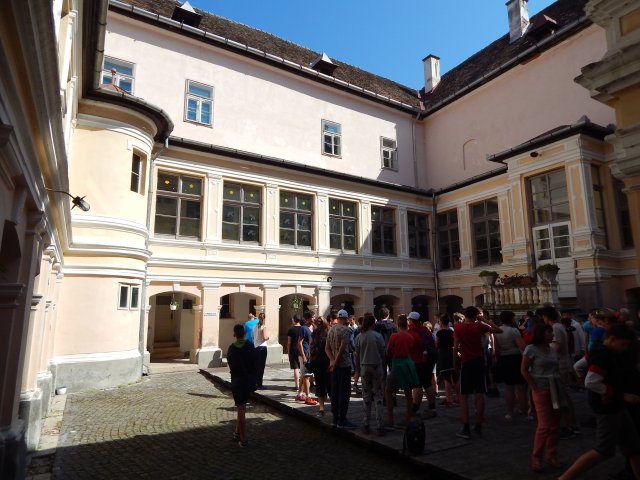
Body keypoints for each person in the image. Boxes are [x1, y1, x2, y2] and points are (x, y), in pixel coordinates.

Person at [559, 325, 640, 480]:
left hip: (615, 405)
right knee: (604, 450)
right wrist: (622, 396)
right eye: (623, 344)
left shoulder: (601, 351)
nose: (624, 348)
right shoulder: (603, 355)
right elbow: (591, 382)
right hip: (608, 408)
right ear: (612, 339)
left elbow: (579, 367)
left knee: (634, 447)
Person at [453, 306, 502, 439]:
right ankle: (479, 425)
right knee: (480, 394)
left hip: (466, 362)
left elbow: (455, 347)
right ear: (476, 315)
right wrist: (484, 320)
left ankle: (466, 426)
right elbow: (499, 330)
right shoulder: (480, 326)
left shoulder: (459, 328)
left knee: (464, 396)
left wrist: (454, 364)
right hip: (479, 361)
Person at [521, 323, 562, 472]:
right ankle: (536, 457)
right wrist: (534, 387)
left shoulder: (552, 349)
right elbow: (524, 370)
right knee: (544, 425)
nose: (552, 334)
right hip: (541, 388)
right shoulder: (531, 349)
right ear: (542, 333)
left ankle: (551, 455)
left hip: (555, 388)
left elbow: (557, 368)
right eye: (549, 332)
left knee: (555, 424)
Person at [540, 305, 579, 438]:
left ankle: (567, 425)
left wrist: (543, 350)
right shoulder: (559, 326)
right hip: (562, 363)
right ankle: (571, 423)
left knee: (561, 396)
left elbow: (556, 346)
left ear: (546, 317)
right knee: (565, 395)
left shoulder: (555, 328)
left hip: (559, 365)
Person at [385, 314, 419, 426]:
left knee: (388, 391)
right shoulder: (410, 337)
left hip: (397, 364)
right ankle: (408, 418)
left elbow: (388, 352)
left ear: (398, 324)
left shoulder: (394, 336)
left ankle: (390, 419)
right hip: (408, 364)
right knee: (408, 393)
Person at [325, 309, 357, 428]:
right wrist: (336, 363)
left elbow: (327, 348)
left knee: (335, 392)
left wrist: (332, 361)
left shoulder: (331, 329)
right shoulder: (346, 330)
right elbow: (342, 348)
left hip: (333, 366)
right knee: (344, 392)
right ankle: (342, 419)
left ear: (338, 318)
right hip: (343, 365)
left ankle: (335, 418)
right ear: (346, 318)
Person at [355, 312, 386, 435]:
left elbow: (357, 355)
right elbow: (383, 353)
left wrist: (358, 369)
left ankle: (366, 424)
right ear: (373, 324)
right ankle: (380, 425)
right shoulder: (378, 336)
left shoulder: (359, 337)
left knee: (366, 397)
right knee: (378, 396)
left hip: (364, 367)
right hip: (376, 367)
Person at [494, 310, 527, 420]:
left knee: (508, 387)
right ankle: (524, 411)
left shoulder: (497, 330)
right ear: (511, 319)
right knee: (521, 387)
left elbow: (496, 349)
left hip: (504, 358)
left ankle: (509, 412)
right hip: (515, 358)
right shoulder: (514, 330)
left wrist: (498, 360)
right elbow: (522, 346)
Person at [227, 323, 257, 448]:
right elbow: (255, 364)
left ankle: (239, 435)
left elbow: (230, 364)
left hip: (237, 380)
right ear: (244, 333)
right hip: (247, 380)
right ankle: (241, 437)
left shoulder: (232, 348)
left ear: (234, 334)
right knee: (242, 408)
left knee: (241, 408)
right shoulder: (250, 346)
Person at [407, 311, 437, 419]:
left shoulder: (411, 331)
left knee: (417, 385)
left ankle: (415, 408)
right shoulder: (425, 329)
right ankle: (432, 408)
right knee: (427, 383)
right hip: (429, 360)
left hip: (418, 360)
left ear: (411, 320)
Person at [309, 315, 331, 417]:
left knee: (330, 384)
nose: (318, 323)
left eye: (320, 321)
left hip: (327, 361)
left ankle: (334, 406)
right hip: (317, 361)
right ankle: (321, 408)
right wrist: (311, 357)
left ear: (324, 322)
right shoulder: (315, 333)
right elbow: (311, 345)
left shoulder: (329, 332)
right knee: (319, 385)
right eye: (317, 322)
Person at [436, 315, 459, 406]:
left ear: (441, 322)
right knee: (455, 377)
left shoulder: (439, 333)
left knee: (446, 378)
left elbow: (437, 344)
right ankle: (457, 398)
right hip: (451, 353)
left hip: (443, 355)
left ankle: (448, 399)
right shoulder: (452, 331)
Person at [297, 310, 317, 405]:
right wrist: (304, 356)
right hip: (305, 354)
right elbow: (299, 342)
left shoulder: (313, 327)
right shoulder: (303, 328)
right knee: (306, 375)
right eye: (313, 317)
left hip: (311, 354)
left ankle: (300, 394)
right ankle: (308, 396)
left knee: (303, 375)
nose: (314, 318)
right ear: (308, 318)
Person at [287, 314, 303, 399]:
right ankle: (303, 385)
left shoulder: (291, 329)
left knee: (296, 368)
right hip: (301, 349)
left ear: (294, 320)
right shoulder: (303, 328)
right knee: (302, 368)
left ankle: (297, 385)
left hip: (293, 349)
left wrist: (288, 351)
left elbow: (289, 342)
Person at [252, 312, 269, 389]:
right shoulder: (264, 327)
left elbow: (252, 336)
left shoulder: (255, 326)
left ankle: (255, 383)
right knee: (261, 366)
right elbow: (265, 337)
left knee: (256, 366)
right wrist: (268, 337)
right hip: (262, 347)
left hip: (256, 347)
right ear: (264, 318)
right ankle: (259, 384)